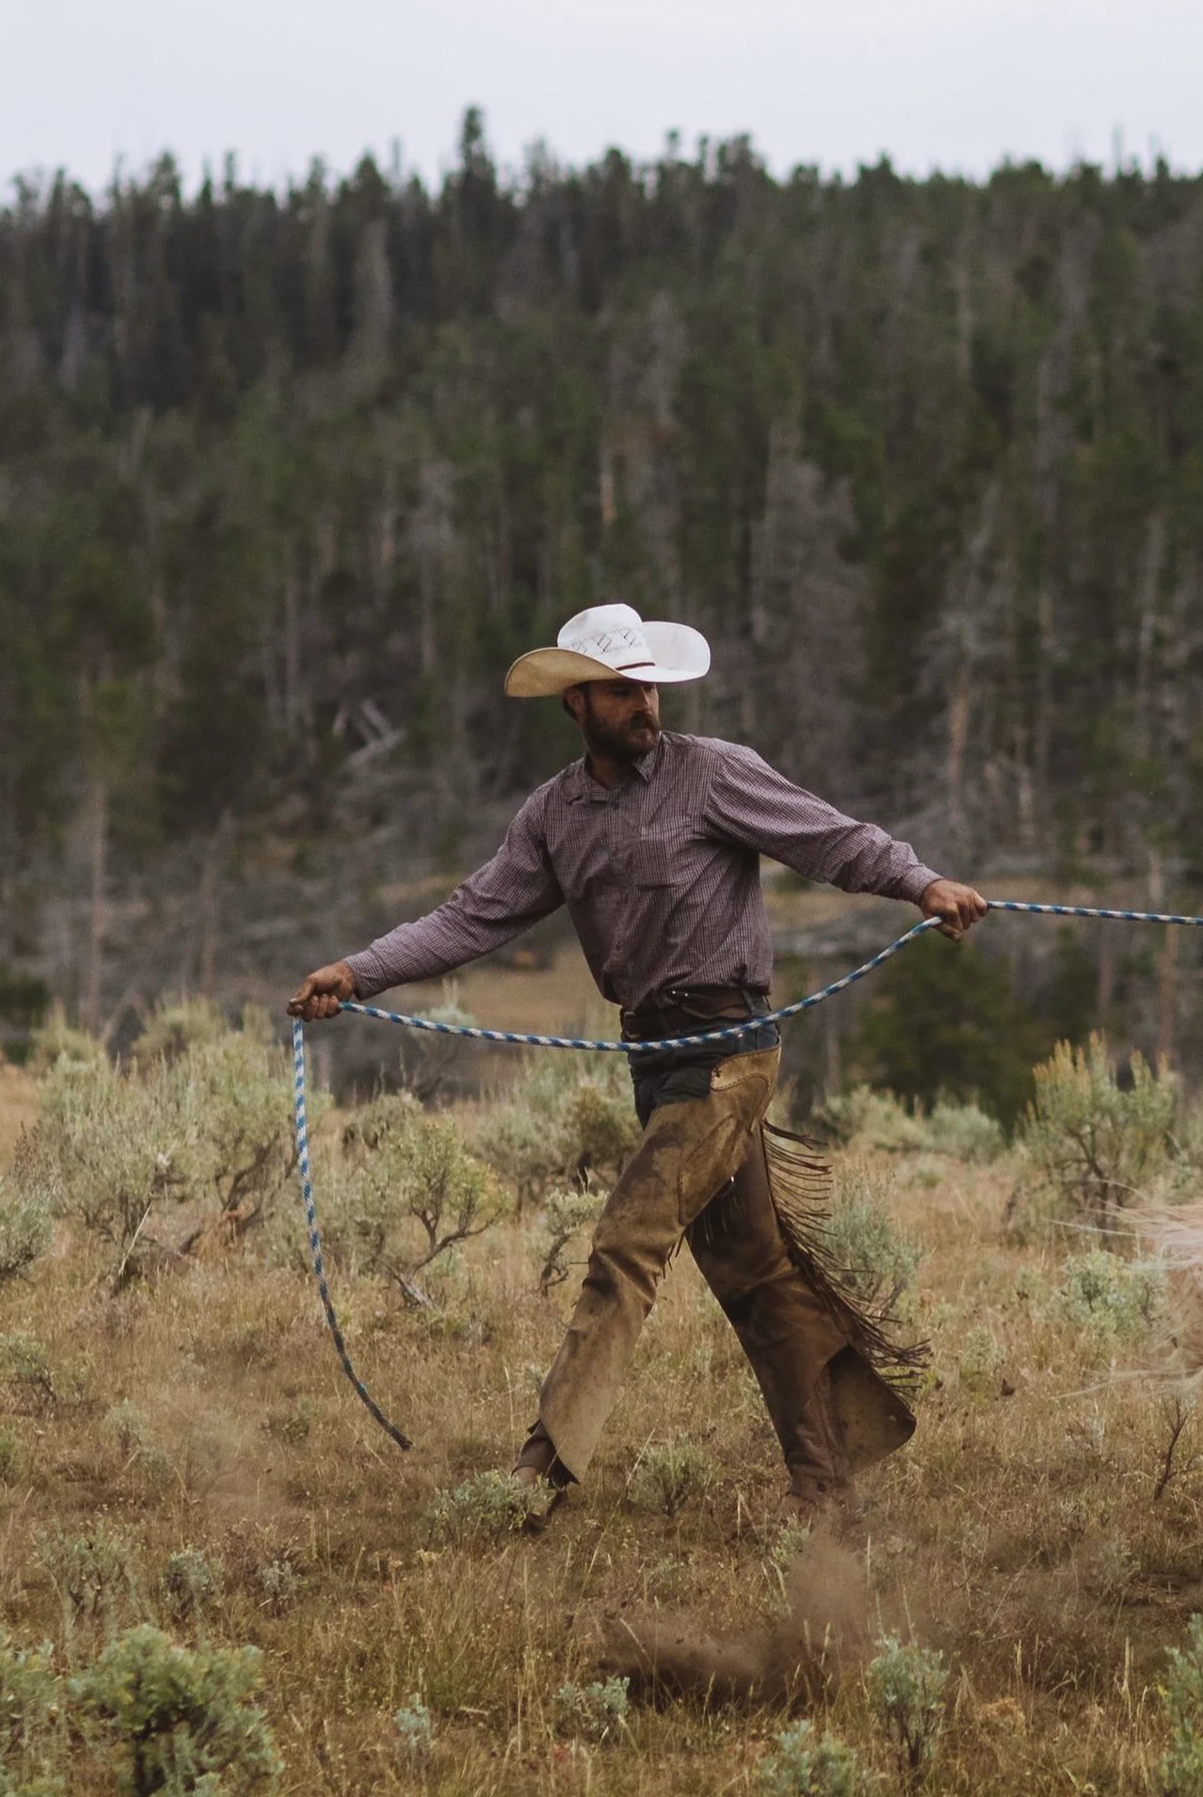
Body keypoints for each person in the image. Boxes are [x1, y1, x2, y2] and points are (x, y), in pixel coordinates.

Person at [289, 601, 985, 1514]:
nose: (643, 704)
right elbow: (470, 917)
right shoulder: (553, 815)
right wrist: (358, 972)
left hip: (727, 1055)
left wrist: (919, 881)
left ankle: (539, 1475)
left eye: (648, 687)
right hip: (654, 1060)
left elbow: (828, 836)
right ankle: (828, 1477)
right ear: (575, 703)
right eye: (620, 691)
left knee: (625, 1247)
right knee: (755, 1273)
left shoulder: (712, 773)